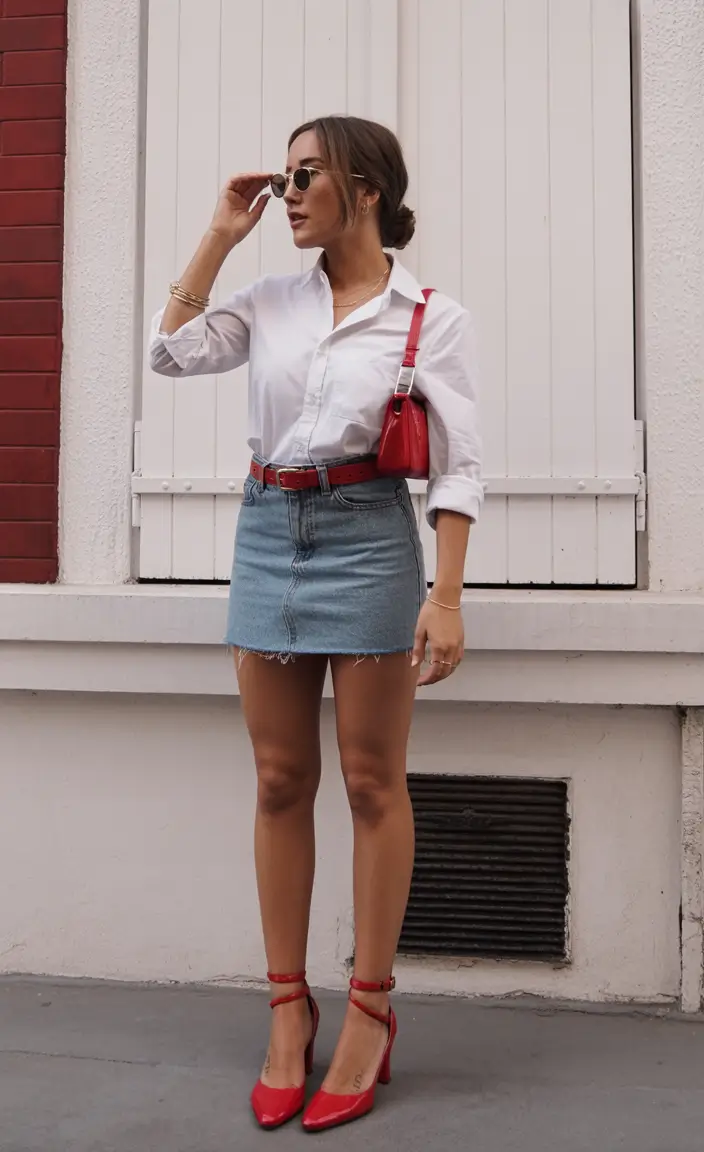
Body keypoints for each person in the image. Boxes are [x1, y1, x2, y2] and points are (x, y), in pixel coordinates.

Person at [149, 114, 482, 1133]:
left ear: (364, 190)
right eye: (283, 176)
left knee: (374, 783)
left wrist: (448, 594)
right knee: (281, 780)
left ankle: (371, 1013)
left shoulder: (428, 315)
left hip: (371, 539)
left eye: (305, 175)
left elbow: (459, 463)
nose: (287, 193)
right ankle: (287, 1010)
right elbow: (169, 354)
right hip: (266, 533)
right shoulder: (268, 301)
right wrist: (218, 231)